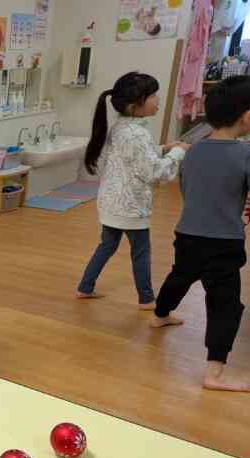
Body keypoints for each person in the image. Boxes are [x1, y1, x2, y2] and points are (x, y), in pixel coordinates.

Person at [151, 75, 250, 392]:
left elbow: (189, 190)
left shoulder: (191, 151)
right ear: (246, 116)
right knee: (225, 304)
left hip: (188, 234)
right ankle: (214, 374)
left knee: (180, 275)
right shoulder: (244, 154)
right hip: (223, 242)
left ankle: (160, 314)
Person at [76, 71, 187, 309]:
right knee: (141, 251)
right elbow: (156, 172)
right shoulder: (137, 134)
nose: (158, 100)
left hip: (111, 203)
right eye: (153, 95)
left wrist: (164, 148)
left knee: (107, 245)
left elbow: (134, 158)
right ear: (134, 104)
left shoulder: (121, 127)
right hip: (130, 207)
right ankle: (146, 299)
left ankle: (84, 287)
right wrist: (178, 153)